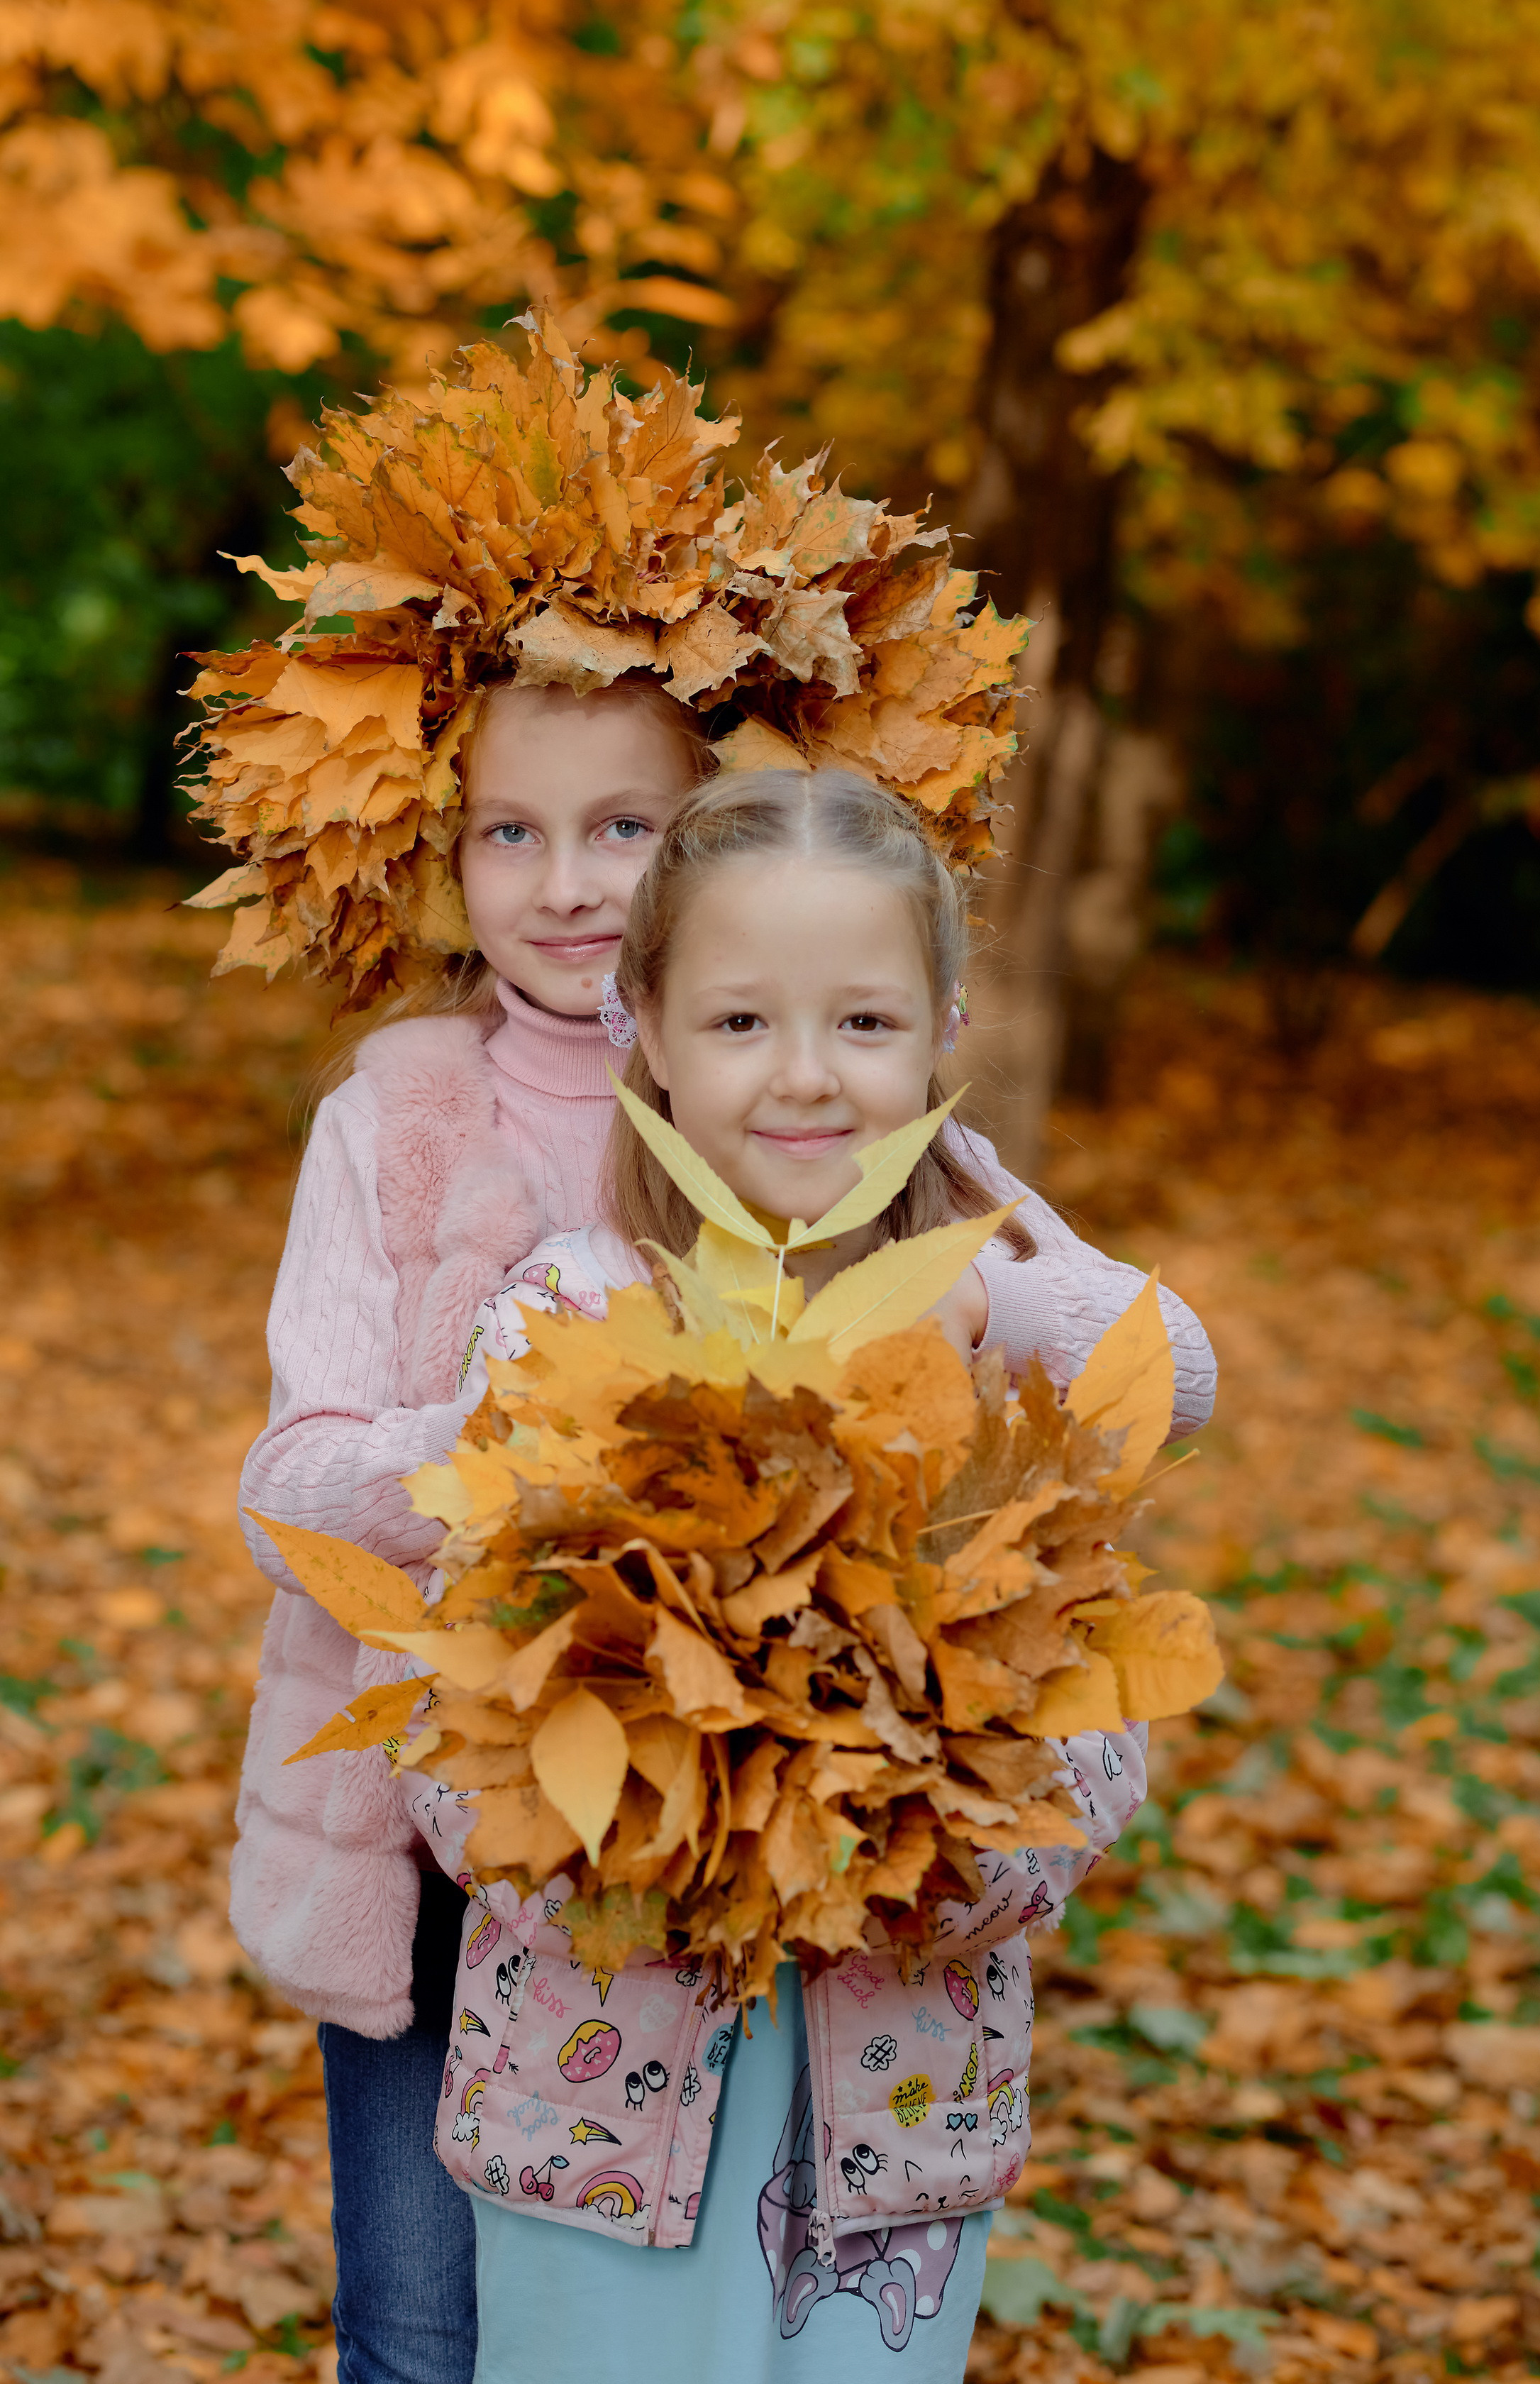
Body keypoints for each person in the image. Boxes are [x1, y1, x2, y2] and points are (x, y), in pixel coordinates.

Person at [194, 313, 1216, 2384]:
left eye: (632, 833)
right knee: (426, 2323)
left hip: (778, 1897)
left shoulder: (882, 1127)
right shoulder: (405, 1113)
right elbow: (295, 1474)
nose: (569, 885)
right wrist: (541, 1463)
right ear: (439, 843)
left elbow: (1143, 1376)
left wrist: (986, 1250)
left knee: (741, 2304)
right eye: (509, 833)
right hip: (445, 1825)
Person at [414, 768, 1200, 2384]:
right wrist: (645, 1839)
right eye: (738, 1023)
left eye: (860, 1023)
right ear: (641, 1022)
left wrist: (930, 1849)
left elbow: (1091, 1727)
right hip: (598, 2097)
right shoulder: (564, 1321)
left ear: (939, 1028)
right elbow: (456, 1719)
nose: (803, 1079)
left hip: (895, 2122)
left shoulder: (986, 1341)